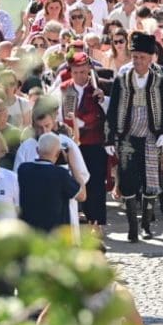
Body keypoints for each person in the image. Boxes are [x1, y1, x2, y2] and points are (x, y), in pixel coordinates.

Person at [106, 31, 163, 242]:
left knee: (151, 181)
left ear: (151, 57)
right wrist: (109, 138)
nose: (138, 61)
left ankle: (146, 225)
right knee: (127, 180)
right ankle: (132, 227)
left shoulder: (161, 78)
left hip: (152, 135)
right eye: (135, 57)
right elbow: (113, 107)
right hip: (127, 135)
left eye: (142, 57)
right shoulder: (122, 77)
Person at [58, 53, 110, 229]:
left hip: (95, 143)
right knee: (79, 182)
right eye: (76, 72)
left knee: (96, 183)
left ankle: (98, 222)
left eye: (83, 71)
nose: (80, 76)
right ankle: (85, 220)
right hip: (73, 144)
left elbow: (109, 112)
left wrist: (103, 99)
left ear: (89, 70)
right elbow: (61, 114)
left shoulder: (98, 88)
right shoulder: (65, 89)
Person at [17, 133, 85, 232]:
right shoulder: (61, 174)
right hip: (55, 237)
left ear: (37, 150)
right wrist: (72, 164)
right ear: (58, 154)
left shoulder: (23, 169)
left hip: (30, 234)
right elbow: (82, 196)